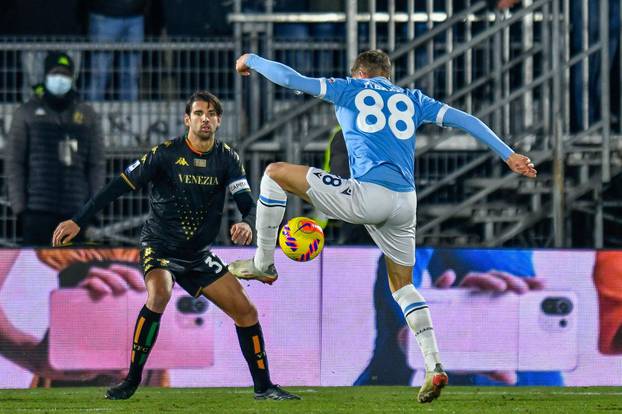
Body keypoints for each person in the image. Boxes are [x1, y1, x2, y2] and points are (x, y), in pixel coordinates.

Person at [229, 49, 537, 403]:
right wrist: (507, 154)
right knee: (404, 287)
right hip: (405, 203)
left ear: (359, 73)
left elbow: (290, 79)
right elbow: (465, 119)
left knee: (274, 174)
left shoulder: (349, 89)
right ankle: (434, 364)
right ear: (386, 74)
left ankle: (263, 262)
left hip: (366, 195)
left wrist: (251, 59)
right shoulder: (412, 99)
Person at [51, 91, 299, 401]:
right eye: (198, 113)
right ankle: (131, 380)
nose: (204, 118)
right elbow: (116, 187)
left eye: (211, 113)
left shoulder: (227, 159)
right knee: (160, 293)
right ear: (187, 119)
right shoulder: (164, 154)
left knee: (246, 312)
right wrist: (79, 220)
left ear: (219, 120)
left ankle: (264, 387)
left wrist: (246, 223)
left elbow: (248, 204)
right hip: (160, 248)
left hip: (197, 256)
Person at [6, 51, 104, 246]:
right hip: (37, 211)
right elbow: (15, 164)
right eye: (56, 72)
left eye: (65, 74)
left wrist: (94, 208)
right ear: (46, 76)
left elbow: (96, 165)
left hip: (76, 213)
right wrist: (20, 209)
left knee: (74, 274)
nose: (60, 78)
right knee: (36, 274)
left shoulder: (87, 115)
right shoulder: (26, 113)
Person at [86, 0, 147, 101]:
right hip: (104, 15)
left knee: (132, 73)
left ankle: (129, 115)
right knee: (99, 73)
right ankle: (92, 114)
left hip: (135, 15)